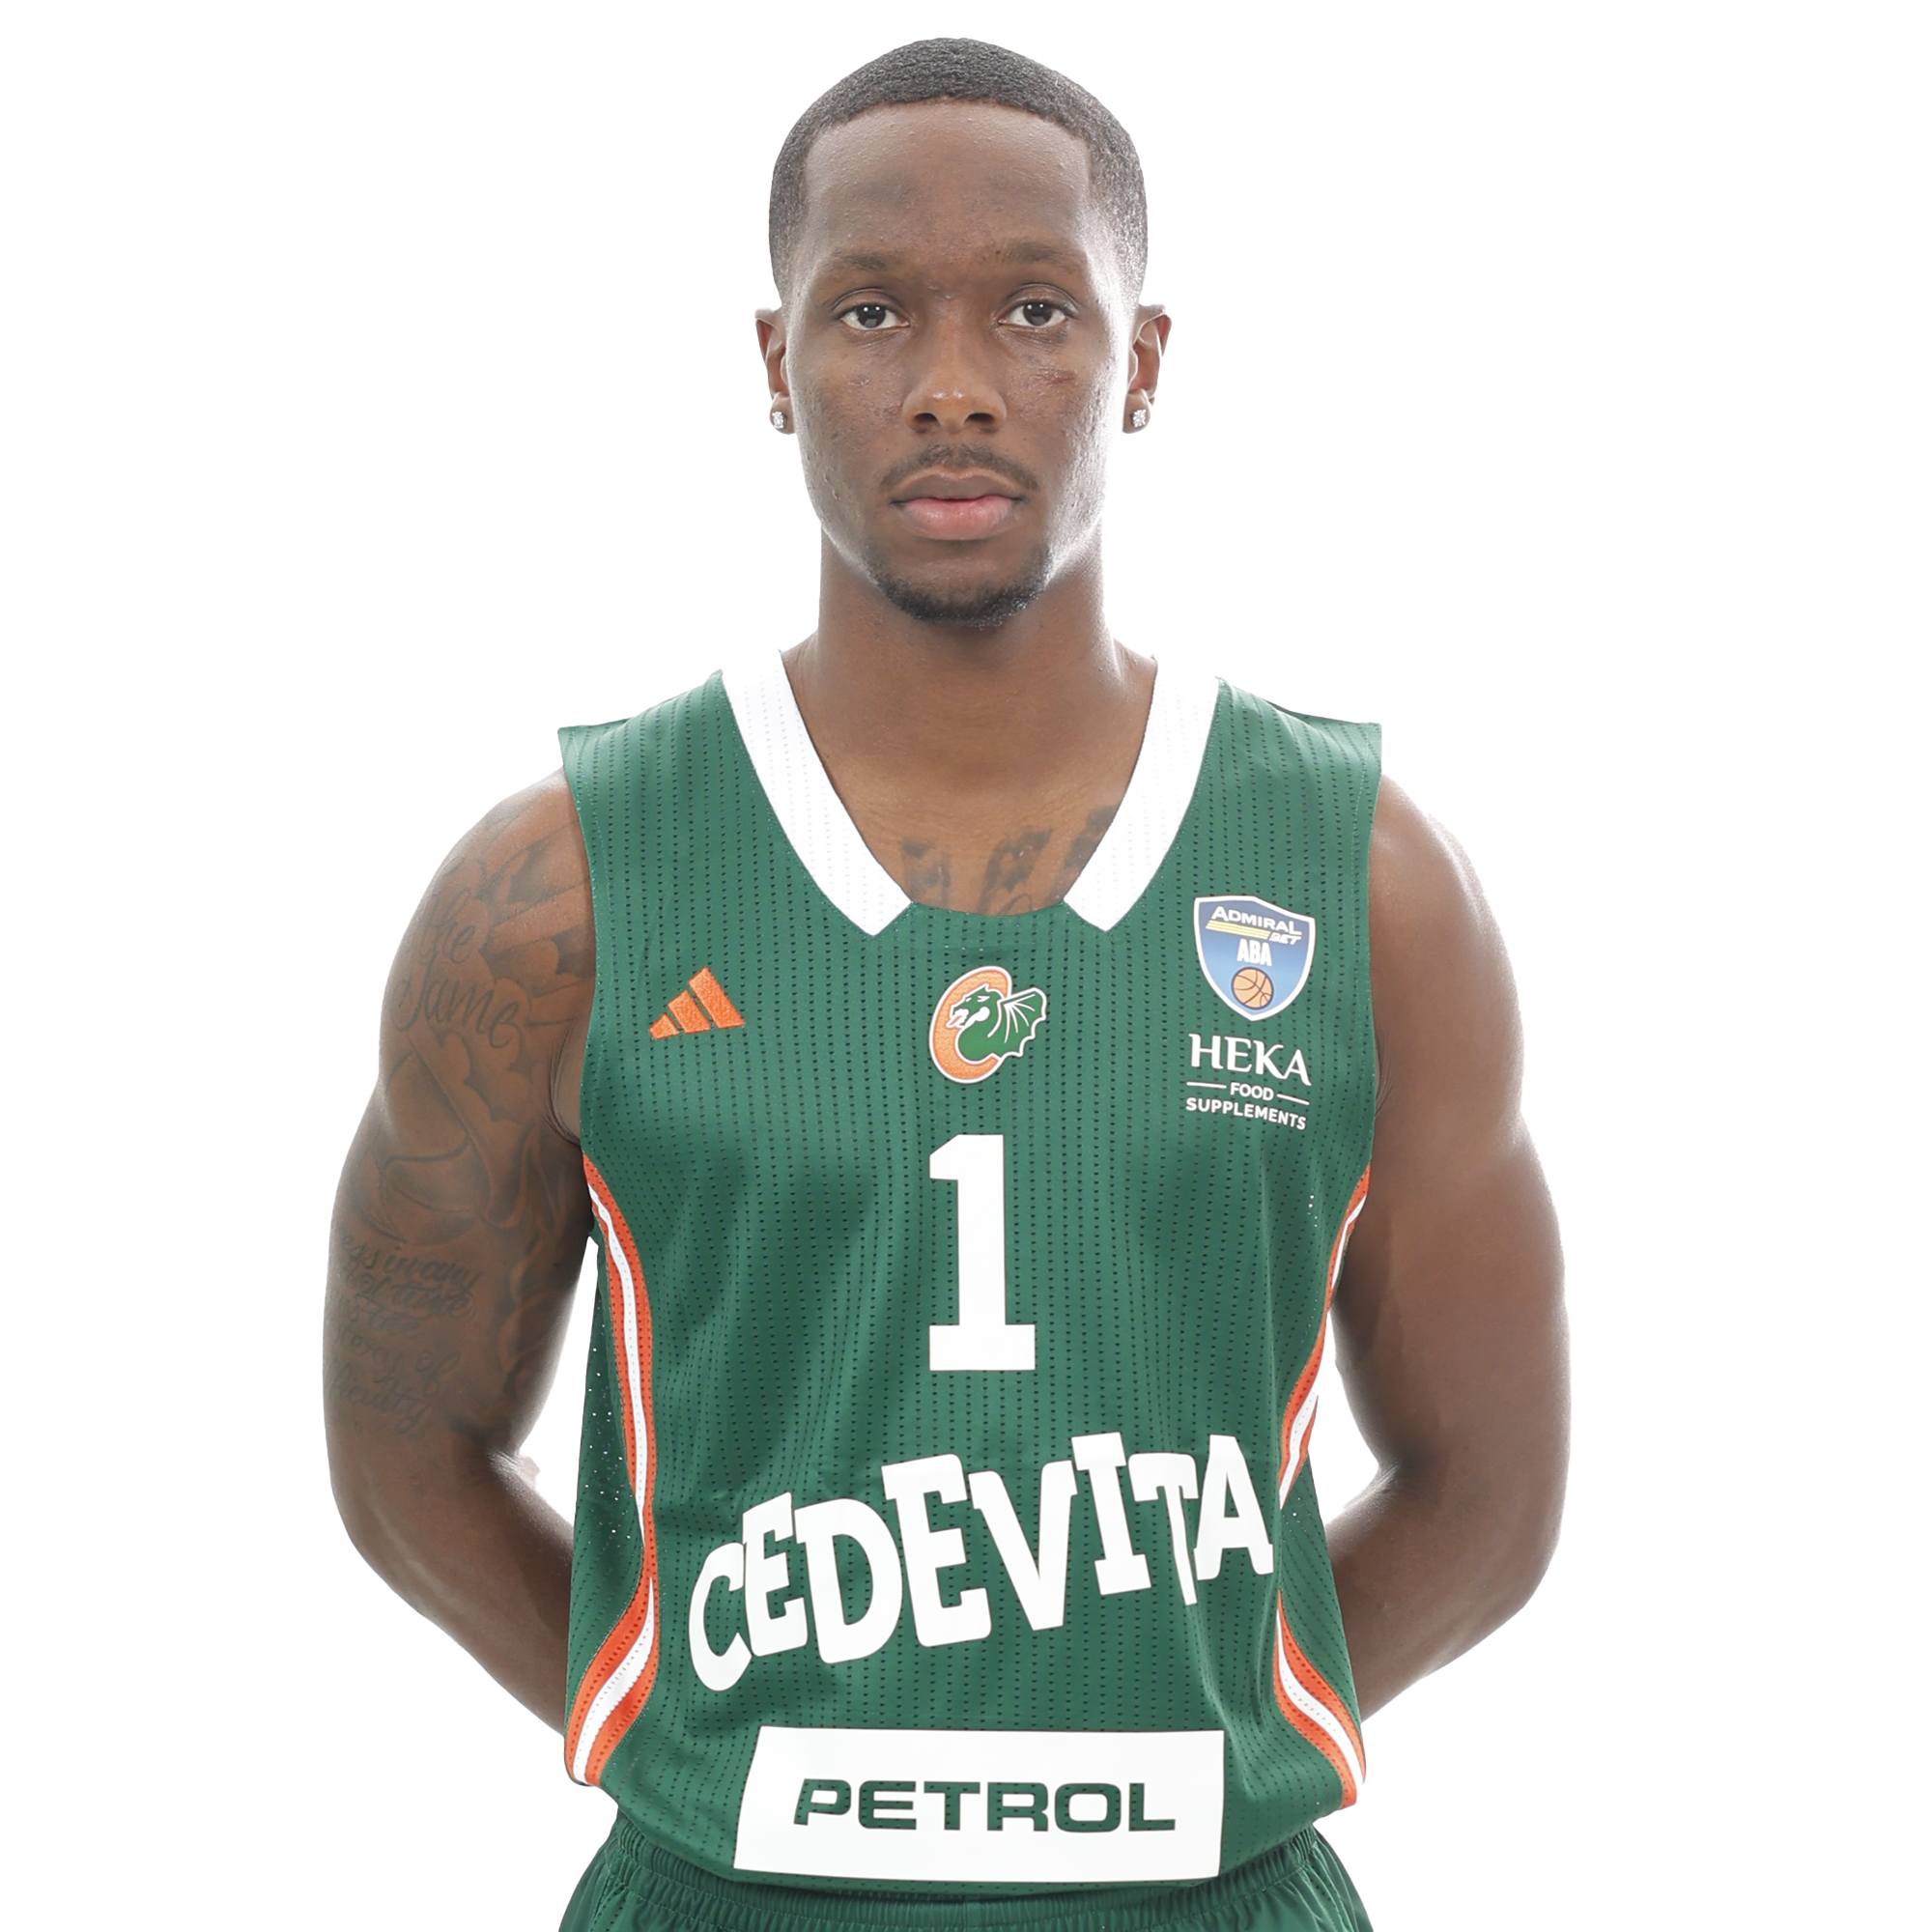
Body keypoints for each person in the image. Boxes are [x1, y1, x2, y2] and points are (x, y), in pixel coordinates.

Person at [324, 38, 1568, 1932]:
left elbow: (1491, 1493)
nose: (953, 385)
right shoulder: (558, 889)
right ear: (775, 362)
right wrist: (707, 1752)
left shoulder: (1364, 879)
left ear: (1144, 361)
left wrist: (1191, 1761)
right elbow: (402, 1449)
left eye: (1038, 310)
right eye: (873, 311)